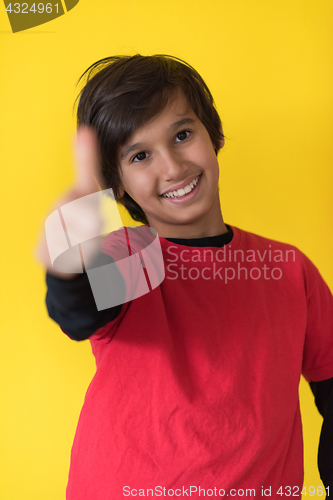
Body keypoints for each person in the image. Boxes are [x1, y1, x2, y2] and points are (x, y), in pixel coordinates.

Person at [36, 55, 333, 499]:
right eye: (139, 155)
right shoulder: (134, 256)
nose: (173, 167)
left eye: (182, 135)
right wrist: (68, 264)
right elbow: (79, 308)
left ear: (213, 136)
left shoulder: (290, 269)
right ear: (116, 184)